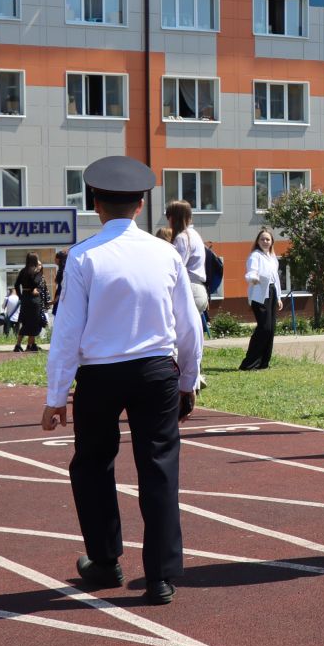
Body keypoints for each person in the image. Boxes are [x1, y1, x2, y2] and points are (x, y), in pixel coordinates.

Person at [42, 156, 203, 606]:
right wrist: (189, 380)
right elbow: (189, 325)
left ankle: (106, 559)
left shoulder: (83, 256)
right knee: (159, 468)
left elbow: (67, 331)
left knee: (92, 465)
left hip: (100, 374)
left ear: (96, 204)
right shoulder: (165, 252)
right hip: (156, 371)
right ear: (140, 205)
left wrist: (57, 394)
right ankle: (162, 576)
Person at [239, 228, 281, 372]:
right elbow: (251, 272)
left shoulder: (272, 257)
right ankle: (249, 364)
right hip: (259, 293)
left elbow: (276, 279)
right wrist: (253, 278)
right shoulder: (255, 256)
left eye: (267, 239)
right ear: (258, 241)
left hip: (272, 292)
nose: (265, 241)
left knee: (271, 329)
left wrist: (279, 298)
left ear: (272, 242)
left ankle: (263, 363)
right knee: (264, 328)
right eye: (262, 239)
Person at [166, 199, 209, 325]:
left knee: (180, 337)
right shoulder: (194, 234)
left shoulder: (182, 238)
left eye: (168, 217)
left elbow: (176, 268)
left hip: (189, 290)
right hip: (199, 289)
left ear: (174, 218)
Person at [12, 252, 48, 353]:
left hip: (25, 298)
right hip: (34, 300)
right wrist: (37, 275)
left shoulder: (23, 271)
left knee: (25, 322)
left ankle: (18, 345)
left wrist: (20, 296)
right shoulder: (36, 272)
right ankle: (30, 345)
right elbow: (35, 283)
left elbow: (16, 284)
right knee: (34, 322)